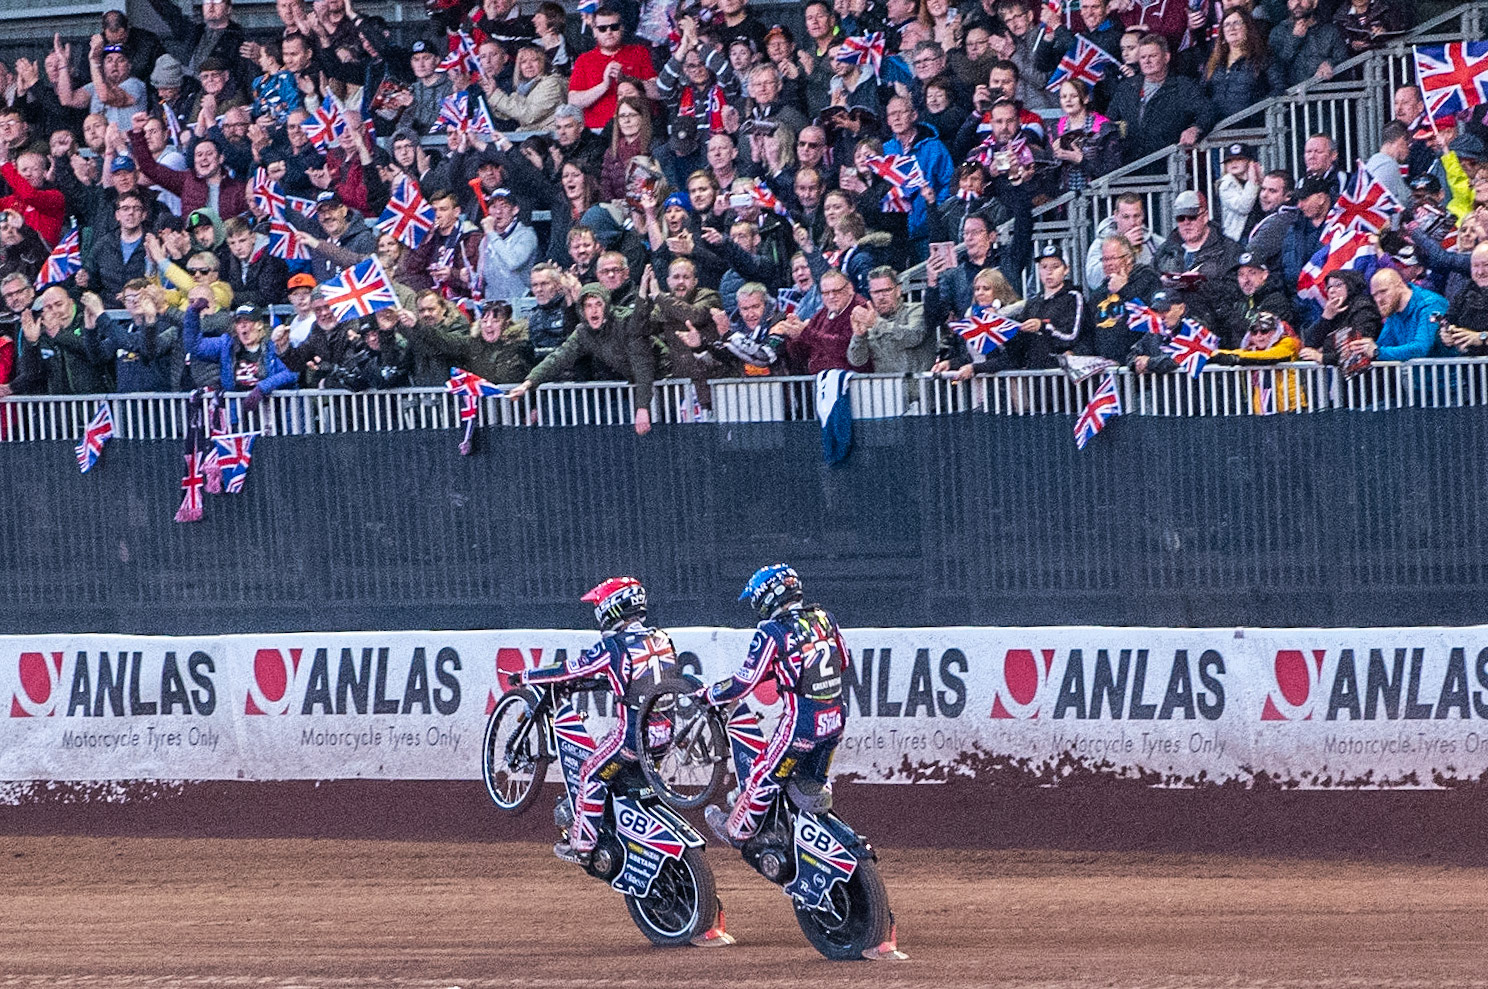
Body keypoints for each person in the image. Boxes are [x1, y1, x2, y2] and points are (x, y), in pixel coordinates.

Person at [519, 576, 677, 863]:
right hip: (665, 735)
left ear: (612, 608)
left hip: (632, 737)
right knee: (620, 771)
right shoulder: (663, 639)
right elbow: (642, 681)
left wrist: (528, 676)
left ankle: (582, 844)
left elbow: (571, 670)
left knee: (591, 773)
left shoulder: (614, 645)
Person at [700, 564, 849, 848]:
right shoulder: (824, 619)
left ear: (768, 597)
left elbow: (744, 682)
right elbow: (843, 662)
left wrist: (712, 694)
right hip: (835, 721)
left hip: (801, 725)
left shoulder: (772, 631)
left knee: (762, 775)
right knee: (813, 781)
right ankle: (809, 836)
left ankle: (739, 832)